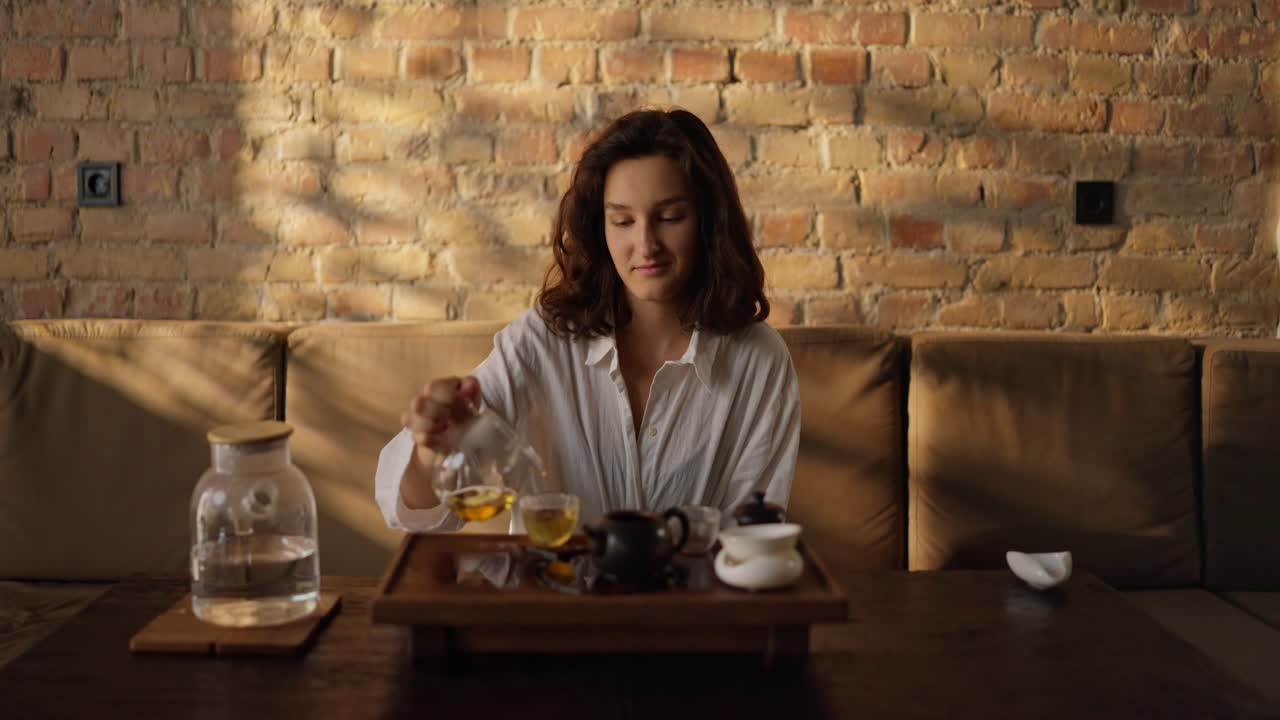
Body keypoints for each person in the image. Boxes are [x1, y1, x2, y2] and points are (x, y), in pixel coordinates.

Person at [373, 108, 800, 533]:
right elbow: (417, 512)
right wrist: (433, 450)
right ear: (601, 229)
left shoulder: (758, 361)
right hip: (553, 597)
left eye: (670, 217)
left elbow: (754, 538)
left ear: (709, 223)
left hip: (691, 600)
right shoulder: (542, 341)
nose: (645, 244)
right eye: (623, 221)